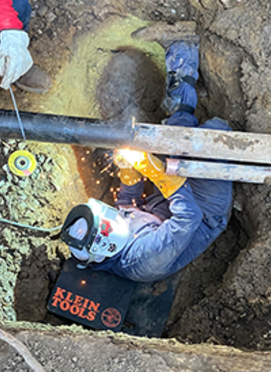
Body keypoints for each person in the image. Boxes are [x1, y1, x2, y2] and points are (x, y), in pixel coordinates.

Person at [59, 24, 233, 283]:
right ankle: (185, 77)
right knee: (215, 131)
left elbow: (127, 205)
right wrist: (154, 171)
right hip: (205, 210)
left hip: (165, 203)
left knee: (175, 139)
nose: (114, 217)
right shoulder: (144, 260)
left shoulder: (111, 235)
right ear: (104, 245)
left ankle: (182, 52)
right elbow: (189, 217)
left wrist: (129, 172)